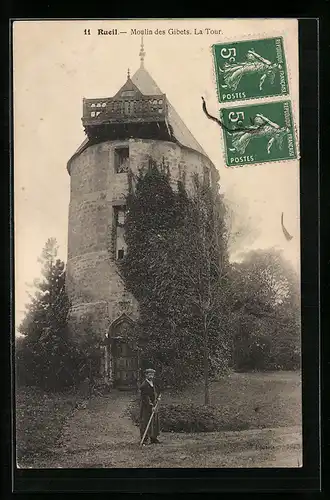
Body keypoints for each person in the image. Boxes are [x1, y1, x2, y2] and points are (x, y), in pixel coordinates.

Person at [139, 368, 161, 445]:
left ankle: (153, 438)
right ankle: (144, 439)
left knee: (154, 422)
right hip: (146, 407)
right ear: (146, 375)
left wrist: (158, 397)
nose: (151, 376)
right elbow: (146, 397)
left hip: (154, 405)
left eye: (152, 374)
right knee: (145, 422)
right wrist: (151, 406)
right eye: (149, 374)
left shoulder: (153, 383)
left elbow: (156, 392)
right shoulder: (144, 385)